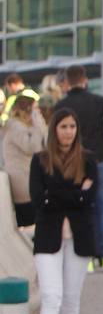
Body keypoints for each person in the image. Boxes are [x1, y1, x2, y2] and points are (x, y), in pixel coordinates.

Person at [30, 108, 98, 314]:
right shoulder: (41, 160)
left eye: (72, 126)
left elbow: (90, 198)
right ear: (54, 129)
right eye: (63, 126)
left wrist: (56, 194)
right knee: (51, 297)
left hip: (79, 238)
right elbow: (39, 199)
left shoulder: (88, 160)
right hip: (48, 237)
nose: (68, 131)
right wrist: (75, 193)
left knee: (71, 300)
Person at [55, 65, 103, 273]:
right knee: (102, 208)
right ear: (85, 80)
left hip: (72, 162)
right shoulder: (98, 101)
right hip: (99, 159)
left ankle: (85, 256)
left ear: (67, 82)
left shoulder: (62, 105)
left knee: (79, 208)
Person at [4, 90, 46, 227]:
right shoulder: (15, 126)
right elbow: (32, 147)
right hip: (22, 184)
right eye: (35, 111)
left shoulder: (18, 126)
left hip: (26, 180)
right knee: (30, 223)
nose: (38, 114)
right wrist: (38, 125)